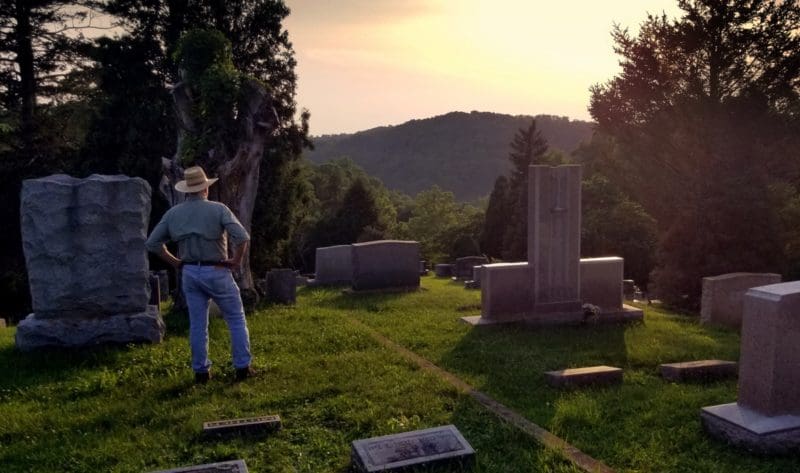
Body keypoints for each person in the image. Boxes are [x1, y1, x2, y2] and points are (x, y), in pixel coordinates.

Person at [145, 165, 255, 383]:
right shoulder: (219, 209)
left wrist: (176, 263)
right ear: (205, 188)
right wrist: (235, 261)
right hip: (217, 269)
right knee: (235, 318)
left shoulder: (173, 214)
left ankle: (201, 372)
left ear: (186, 190)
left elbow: (153, 243)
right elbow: (242, 237)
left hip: (190, 272)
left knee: (198, 324)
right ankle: (242, 367)